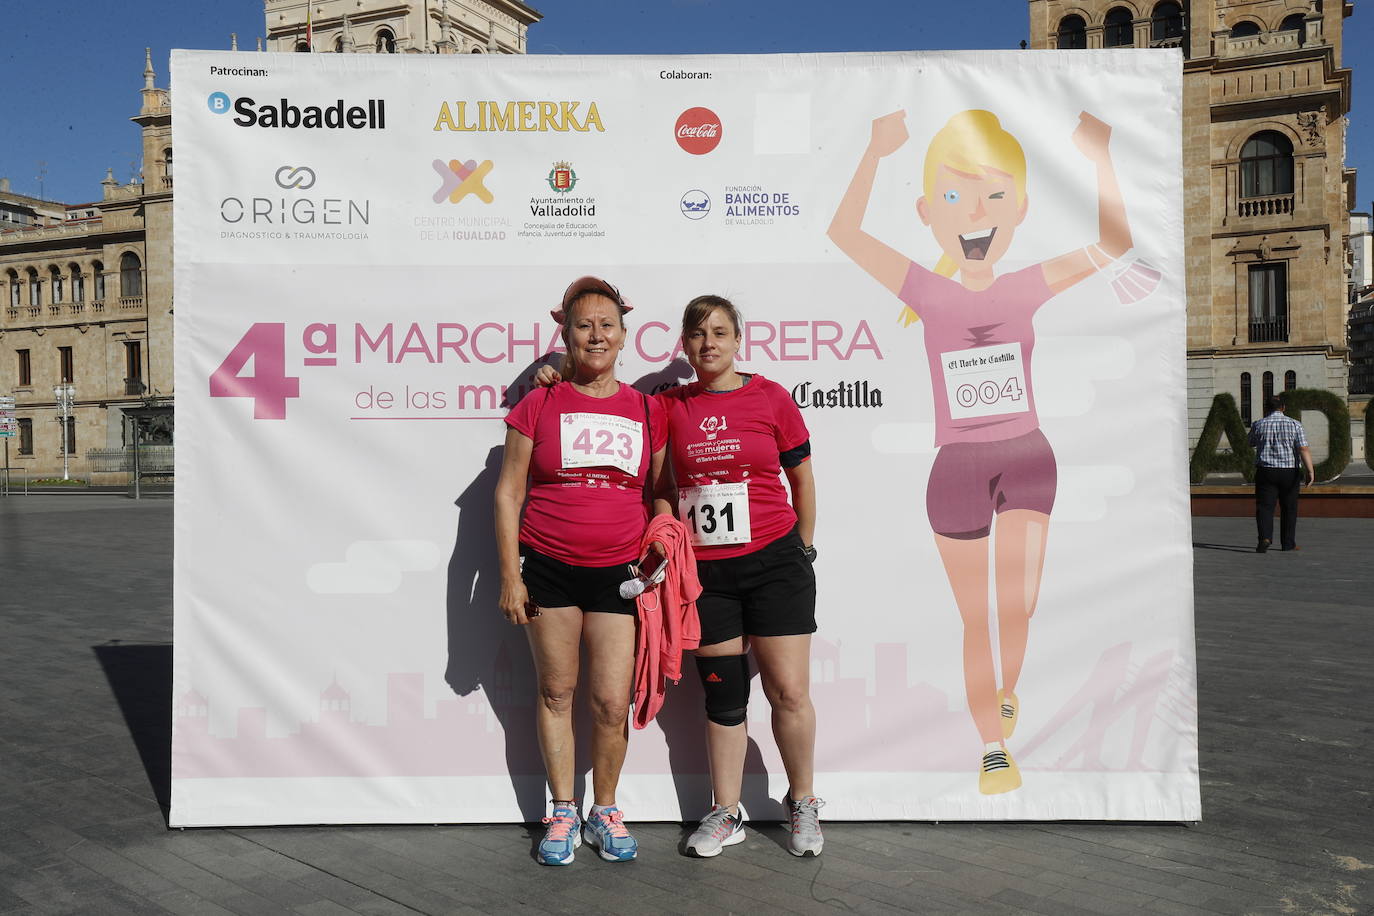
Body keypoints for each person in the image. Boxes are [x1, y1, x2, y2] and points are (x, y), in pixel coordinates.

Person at [828, 108, 1133, 794]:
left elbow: (1113, 241)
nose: (975, 213)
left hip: (1026, 456)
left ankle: (1006, 689)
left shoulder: (1027, 286)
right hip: (957, 468)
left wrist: (1099, 156)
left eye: (994, 196)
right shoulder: (925, 290)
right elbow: (844, 233)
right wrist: (875, 151)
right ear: (927, 212)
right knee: (976, 617)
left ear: (1019, 209)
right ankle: (993, 746)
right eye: (954, 197)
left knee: (1018, 604)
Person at [534, 295, 824, 858]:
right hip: (706, 573)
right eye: (697, 334)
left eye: (719, 332)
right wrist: (558, 371)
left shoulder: (771, 398)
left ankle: (804, 803)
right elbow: (605, 407)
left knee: (788, 690)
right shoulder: (667, 406)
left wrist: (804, 547)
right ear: (684, 345)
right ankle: (725, 811)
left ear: (738, 338)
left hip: (775, 562)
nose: (708, 343)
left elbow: (803, 480)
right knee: (724, 696)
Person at [494, 276, 668, 865]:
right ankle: (563, 811)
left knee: (609, 701)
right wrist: (510, 576)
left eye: (607, 324)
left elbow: (661, 489)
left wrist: (665, 537)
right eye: (583, 323)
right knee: (555, 691)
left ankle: (607, 808)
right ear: (564, 333)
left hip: (619, 575)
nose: (596, 333)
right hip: (547, 567)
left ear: (624, 334)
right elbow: (507, 493)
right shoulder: (538, 401)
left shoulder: (647, 408)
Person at [1248, 393, 1314, 552]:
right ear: (1283, 408)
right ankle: (1288, 543)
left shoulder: (1259, 424)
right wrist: (1310, 471)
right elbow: (1303, 449)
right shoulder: (1295, 424)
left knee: (1265, 507)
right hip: (1289, 471)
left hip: (1266, 471)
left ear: (1266, 408)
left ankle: (1265, 538)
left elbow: (1249, 443)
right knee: (1289, 507)